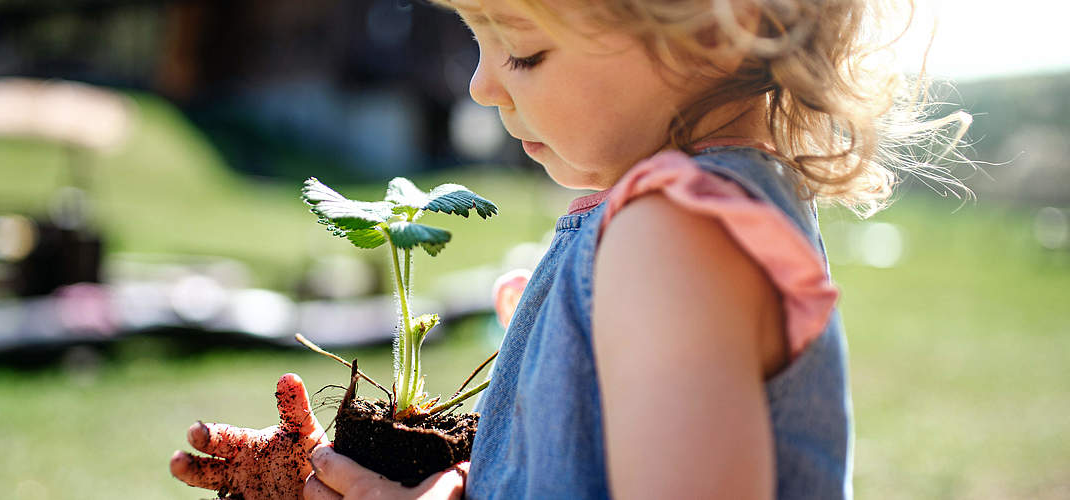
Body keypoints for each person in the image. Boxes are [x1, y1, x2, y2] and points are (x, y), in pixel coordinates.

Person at [170, 0, 969, 498]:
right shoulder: (682, 224)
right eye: (476, 38)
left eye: (523, 48)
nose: (484, 84)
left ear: (722, 25)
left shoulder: (675, 239)